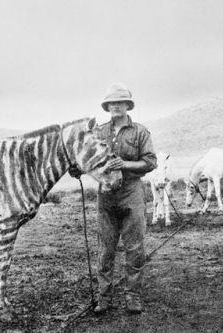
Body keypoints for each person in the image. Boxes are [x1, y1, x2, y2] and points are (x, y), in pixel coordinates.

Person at [72, 83, 157, 314]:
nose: (115, 106)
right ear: (107, 106)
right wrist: (77, 168)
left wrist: (126, 164)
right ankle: (104, 298)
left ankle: (133, 296)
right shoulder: (98, 132)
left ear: (128, 105)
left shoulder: (140, 131)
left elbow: (150, 162)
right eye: (112, 103)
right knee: (105, 249)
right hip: (106, 195)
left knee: (135, 248)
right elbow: (86, 158)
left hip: (132, 193)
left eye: (120, 102)